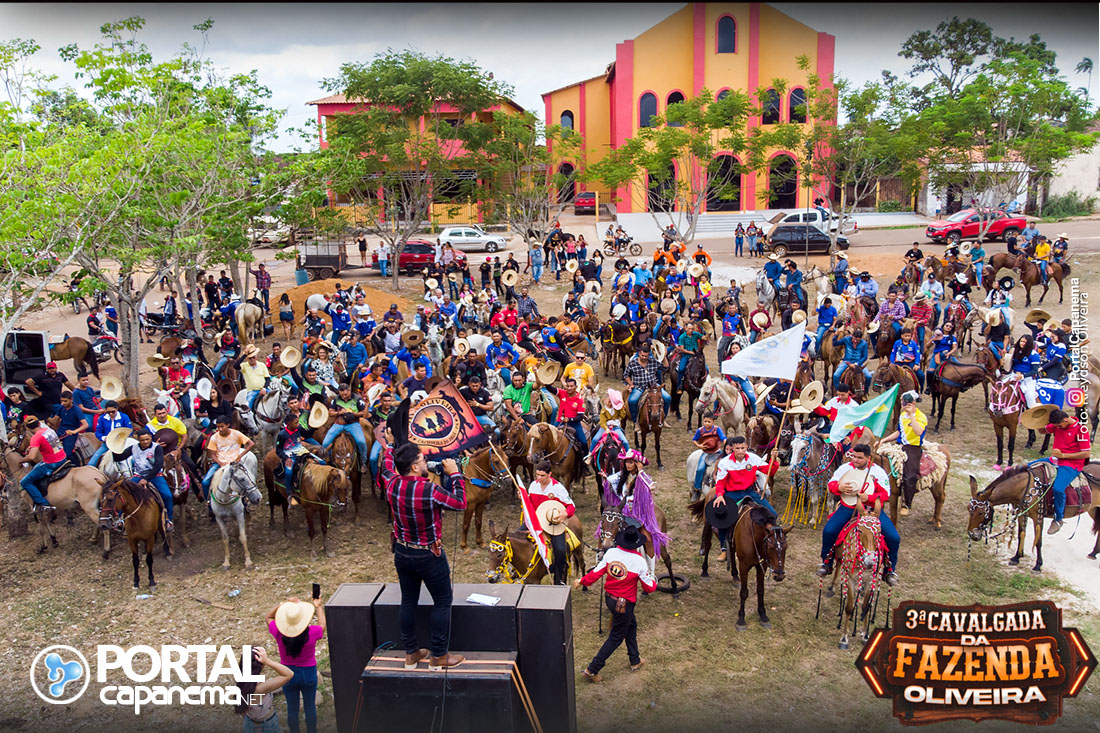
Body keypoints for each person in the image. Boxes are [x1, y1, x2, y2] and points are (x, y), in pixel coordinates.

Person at [381, 439, 466, 669]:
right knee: (442, 601)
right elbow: (460, 503)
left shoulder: (392, 483)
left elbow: (387, 466)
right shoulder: (430, 490)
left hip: (402, 551)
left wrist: (391, 445)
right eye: (422, 459)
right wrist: (455, 474)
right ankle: (438, 656)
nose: (425, 461)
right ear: (414, 467)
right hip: (429, 554)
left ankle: (411, 653)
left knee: (408, 600)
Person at [575, 524, 656, 681]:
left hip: (610, 600)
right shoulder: (638, 561)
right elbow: (649, 587)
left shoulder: (611, 553)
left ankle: (635, 660)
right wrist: (653, 580)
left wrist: (582, 581)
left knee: (631, 625)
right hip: (624, 604)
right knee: (616, 637)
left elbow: (596, 573)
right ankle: (592, 669)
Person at [818, 443, 899, 585]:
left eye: (859, 458)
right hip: (849, 506)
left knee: (894, 537)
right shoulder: (845, 468)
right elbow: (831, 484)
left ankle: (889, 570)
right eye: (854, 456)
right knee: (829, 531)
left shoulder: (878, 472)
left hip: (871, 510)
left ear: (868, 458)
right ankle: (827, 562)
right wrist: (839, 487)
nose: (855, 460)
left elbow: (886, 494)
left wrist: (870, 498)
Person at [710, 436, 778, 560]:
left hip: (749, 492)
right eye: (737, 448)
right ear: (732, 449)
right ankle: (724, 547)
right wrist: (719, 495)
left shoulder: (753, 458)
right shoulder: (725, 462)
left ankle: (770, 541)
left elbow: (770, 471)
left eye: (743, 448)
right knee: (723, 518)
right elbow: (720, 481)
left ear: (746, 447)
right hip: (732, 493)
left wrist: (774, 460)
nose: (741, 451)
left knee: (772, 514)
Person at [265, 596, 327, 733]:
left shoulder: (278, 632)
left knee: (292, 710)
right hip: (308, 673)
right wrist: (318, 606)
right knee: (310, 707)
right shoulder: (312, 632)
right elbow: (323, 626)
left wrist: (283, 605)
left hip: (287, 674)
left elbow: (268, 617)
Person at [1032, 409, 1092, 534]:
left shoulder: (1081, 430)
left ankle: (1058, 519)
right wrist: (1037, 420)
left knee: (1058, 488)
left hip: (1072, 464)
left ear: (1066, 420)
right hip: (1054, 459)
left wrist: (1063, 455)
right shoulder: (1058, 425)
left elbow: (1086, 453)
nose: (1057, 428)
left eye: (1059, 426)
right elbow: (1043, 430)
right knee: (1026, 467)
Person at [114, 428, 174, 531]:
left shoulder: (157, 448)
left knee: (167, 495)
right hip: (138, 475)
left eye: (147, 439)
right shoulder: (133, 448)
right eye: (142, 440)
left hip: (155, 475)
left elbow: (158, 465)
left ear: (151, 438)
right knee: (123, 492)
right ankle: (120, 519)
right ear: (138, 440)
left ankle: (169, 519)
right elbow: (120, 457)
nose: (145, 442)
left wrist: (147, 479)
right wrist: (114, 449)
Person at [878, 390, 927, 515]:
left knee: (910, 473)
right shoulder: (902, 416)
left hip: (913, 447)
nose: (904, 406)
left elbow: (918, 432)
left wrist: (912, 415)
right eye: (902, 403)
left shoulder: (921, 416)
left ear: (913, 404)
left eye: (906, 404)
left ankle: (906, 502)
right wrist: (884, 439)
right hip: (900, 445)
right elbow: (899, 432)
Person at [234, 646, 294, 733]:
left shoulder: (242, 683)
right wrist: (268, 661)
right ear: (261, 665)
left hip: (249, 723)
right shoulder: (261, 689)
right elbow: (289, 674)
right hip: (266, 725)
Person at [18, 415, 65, 510]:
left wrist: (22, 460)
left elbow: (32, 457)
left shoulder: (35, 437)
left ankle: (43, 504)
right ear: (39, 423)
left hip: (51, 463)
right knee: (37, 467)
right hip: (63, 458)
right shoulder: (49, 430)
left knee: (25, 482)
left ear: (27, 428)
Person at [202, 416, 255, 495]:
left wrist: (240, 456)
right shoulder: (214, 437)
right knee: (205, 482)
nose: (220, 429)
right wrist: (219, 462)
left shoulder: (236, 434)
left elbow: (251, 444)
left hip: (234, 463)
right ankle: (208, 501)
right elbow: (212, 454)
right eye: (218, 427)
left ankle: (245, 499)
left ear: (228, 425)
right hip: (220, 463)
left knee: (246, 481)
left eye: (222, 426)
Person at [321, 384, 369, 469]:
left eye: (346, 394)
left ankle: (363, 462)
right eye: (342, 394)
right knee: (325, 443)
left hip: (353, 424)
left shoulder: (357, 399)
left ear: (349, 391)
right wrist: (339, 412)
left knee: (361, 441)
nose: (344, 396)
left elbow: (363, 413)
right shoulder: (336, 399)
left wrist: (353, 414)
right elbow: (330, 412)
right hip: (338, 424)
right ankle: (328, 460)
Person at [623, 347, 670, 425]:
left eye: (646, 356)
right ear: (639, 354)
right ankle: (636, 421)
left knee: (667, 398)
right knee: (632, 401)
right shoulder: (633, 363)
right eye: (642, 356)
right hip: (639, 386)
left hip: (653, 386)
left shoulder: (652, 361)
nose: (644, 358)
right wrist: (630, 384)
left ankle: (663, 418)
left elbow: (665, 367)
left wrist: (664, 356)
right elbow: (626, 375)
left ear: (649, 355)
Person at [691, 413, 726, 496]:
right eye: (705, 421)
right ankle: (697, 488)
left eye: (709, 422)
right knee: (700, 468)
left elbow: (723, 438)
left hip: (717, 452)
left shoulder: (717, 429)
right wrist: (699, 445)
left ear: (713, 422)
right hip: (706, 453)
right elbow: (694, 439)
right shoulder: (700, 430)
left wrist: (726, 443)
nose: (707, 423)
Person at [55, 391, 88, 462]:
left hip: (71, 434)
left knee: (66, 454)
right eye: (62, 401)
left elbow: (85, 425)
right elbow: (55, 421)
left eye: (65, 401)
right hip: (60, 431)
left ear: (71, 400)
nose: (63, 403)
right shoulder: (61, 408)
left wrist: (74, 431)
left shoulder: (76, 410)